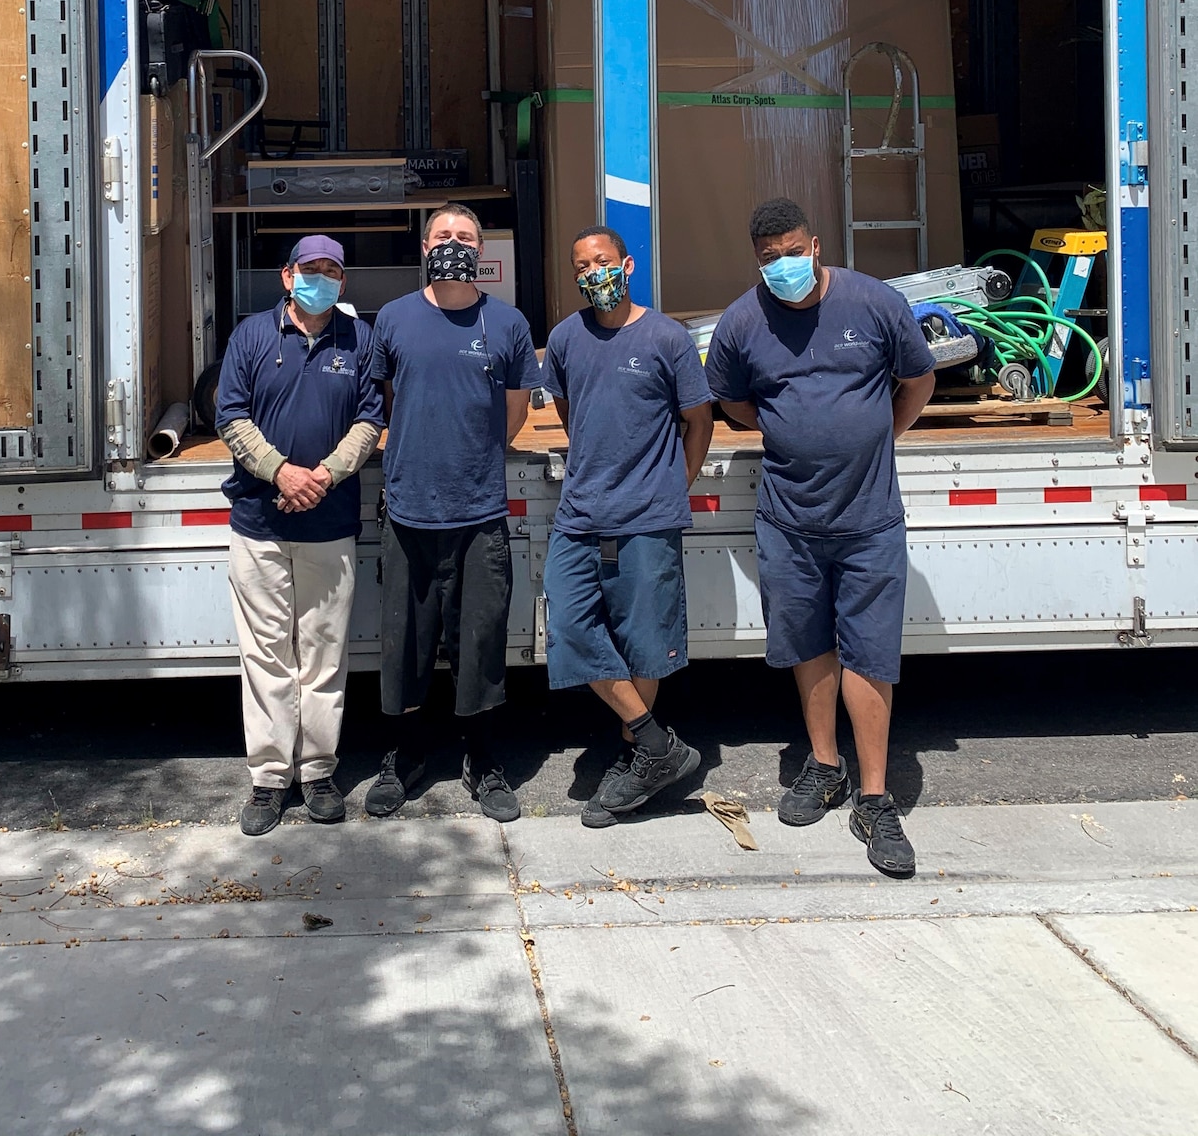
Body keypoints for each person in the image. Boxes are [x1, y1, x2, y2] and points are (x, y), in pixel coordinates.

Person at [703, 197, 937, 878]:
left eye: (791, 250)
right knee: (808, 645)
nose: (782, 265)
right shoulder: (744, 321)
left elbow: (918, 378)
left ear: (817, 244)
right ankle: (824, 766)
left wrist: (881, 434)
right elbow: (734, 401)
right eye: (768, 257)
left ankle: (874, 797)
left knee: (869, 653)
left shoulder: (874, 303)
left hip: (868, 520)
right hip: (790, 519)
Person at [365, 202, 539, 823]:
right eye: (443, 236)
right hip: (409, 511)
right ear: (425, 246)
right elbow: (387, 402)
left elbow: (516, 413)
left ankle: (482, 758)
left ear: (481, 249)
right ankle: (405, 755)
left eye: (465, 237)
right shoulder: (394, 319)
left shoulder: (510, 323)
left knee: (481, 642)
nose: (453, 245)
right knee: (405, 644)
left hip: (480, 511)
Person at [543, 227, 715, 828]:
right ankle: (657, 745)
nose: (593, 273)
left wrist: (675, 484)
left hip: (648, 515)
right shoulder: (565, 338)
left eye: (603, 262)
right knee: (566, 622)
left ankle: (635, 765)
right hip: (580, 512)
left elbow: (698, 421)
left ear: (627, 264)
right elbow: (569, 411)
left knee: (644, 641)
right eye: (582, 265)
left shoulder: (667, 337)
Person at [216, 234, 384, 836]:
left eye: (333, 270)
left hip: (329, 524)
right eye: (311, 269)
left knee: (322, 654)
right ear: (287, 277)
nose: (322, 279)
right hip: (259, 523)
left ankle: (316, 771)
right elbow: (230, 415)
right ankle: (267, 779)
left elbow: (371, 420)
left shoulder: (358, 339)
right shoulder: (253, 337)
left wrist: (323, 477)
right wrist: (281, 472)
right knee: (265, 654)